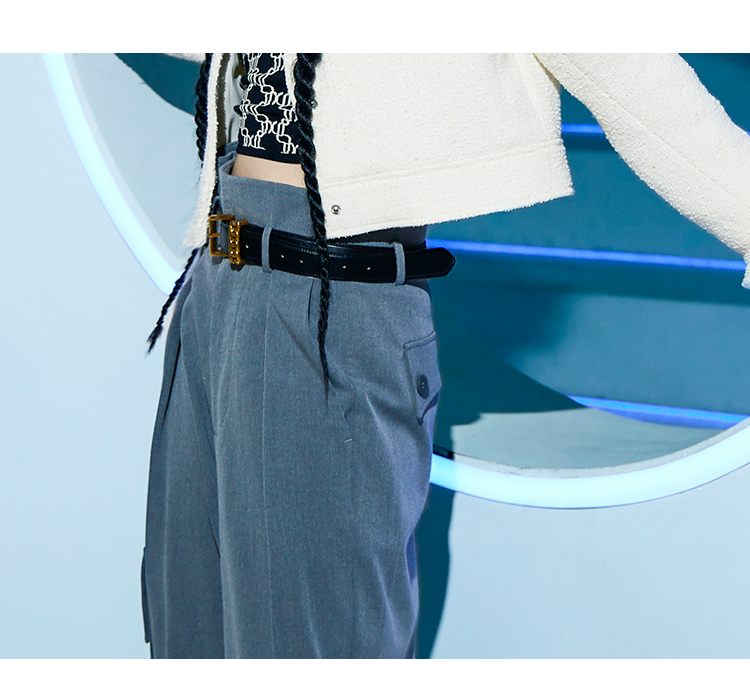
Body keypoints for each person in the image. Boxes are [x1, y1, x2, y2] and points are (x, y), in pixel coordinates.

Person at [141, 53, 750, 659]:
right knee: (189, 625)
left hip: (331, 299)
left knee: (315, 642)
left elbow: (638, 79)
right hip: (218, 277)